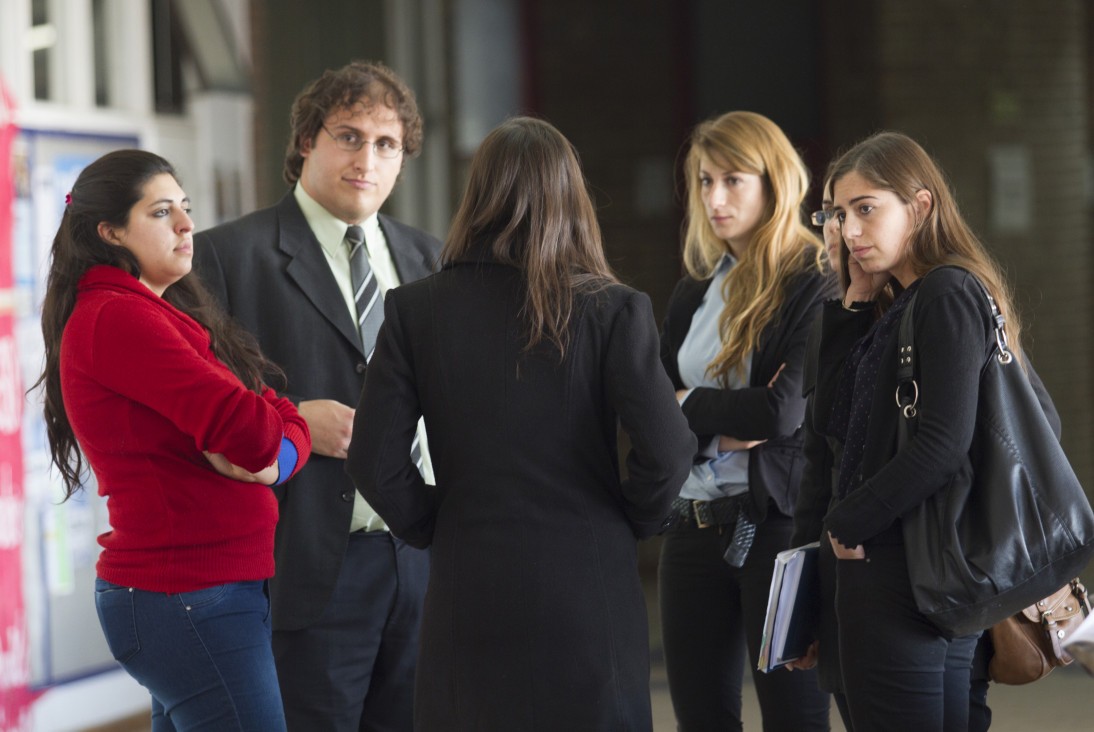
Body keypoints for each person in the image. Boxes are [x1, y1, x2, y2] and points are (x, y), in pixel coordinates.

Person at [345, 116, 696, 731]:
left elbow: (374, 458)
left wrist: (437, 522)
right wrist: (629, 517)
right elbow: (668, 451)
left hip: (469, 586)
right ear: (572, 198)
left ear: (476, 197)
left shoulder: (415, 311)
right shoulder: (613, 309)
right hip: (588, 588)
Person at [192, 61, 441, 731]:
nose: (368, 158)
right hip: (305, 568)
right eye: (348, 136)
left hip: (422, 562)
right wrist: (292, 421)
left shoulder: (429, 261)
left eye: (386, 144)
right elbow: (194, 413)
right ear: (307, 140)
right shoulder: (228, 257)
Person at [36, 149, 311, 731]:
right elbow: (258, 435)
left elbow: (266, 415)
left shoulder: (155, 313)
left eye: (184, 208)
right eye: (162, 213)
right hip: (189, 594)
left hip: (194, 594)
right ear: (110, 232)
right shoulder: (120, 318)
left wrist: (276, 441)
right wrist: (283, 448)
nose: (188, 224)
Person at [814, 131, 1057, 730]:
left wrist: (849, 521)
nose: (849, 232)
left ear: (920, 207)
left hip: (903, 569)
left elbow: (943, 445)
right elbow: (832, 421)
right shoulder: (907, 301)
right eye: (839, 215)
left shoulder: (945, 293)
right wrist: (853, 303)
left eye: (867, 209)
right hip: (926, 567)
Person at [657, 110, 836, 731]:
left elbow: (780, 412)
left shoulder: (813, 282)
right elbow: (651, 411)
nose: (715, 197)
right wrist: (692, 413)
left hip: (776, 528)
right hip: (692, 526)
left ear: (773, 182)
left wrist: (687, 405)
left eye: (734, 179)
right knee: (702, 719)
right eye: (705, 181)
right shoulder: (693, 292)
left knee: (794, 718)